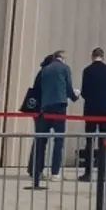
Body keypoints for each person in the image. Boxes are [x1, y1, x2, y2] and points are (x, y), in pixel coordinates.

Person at [29, 49, 78, 190]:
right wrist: (75, 97)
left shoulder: (45, 70)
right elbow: (68, 88)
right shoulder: (64, 68)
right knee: (58, 139)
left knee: (41, 140)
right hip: (59, 106)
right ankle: (55, 172)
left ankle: (38, 170)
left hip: (45, 106)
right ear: (62, 58)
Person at [79, 48, 106, 182]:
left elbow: (84, 92)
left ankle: (88, 172)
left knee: (90, 141)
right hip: (105, 110)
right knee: (104, 141)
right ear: (103, 56)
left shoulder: (87, 70)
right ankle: (103, 172)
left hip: (91, 109)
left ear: (92, 56)